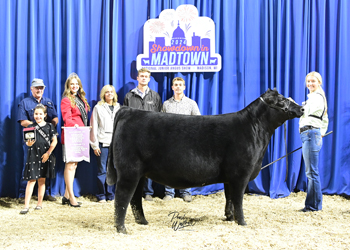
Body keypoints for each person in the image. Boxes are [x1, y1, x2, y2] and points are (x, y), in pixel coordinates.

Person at [123, 68, 162, 201]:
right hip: (133, 137)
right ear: (137, 78)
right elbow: (125, 118)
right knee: (134, 165)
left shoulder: (155, 96)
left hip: (150, 137)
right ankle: (134, 191)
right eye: (141, 76)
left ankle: (148, 192)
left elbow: (159, 118)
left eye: (146, 76)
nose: (144, 78)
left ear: (149, 79)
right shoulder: (129, 96)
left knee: (149, 165)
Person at [17, 78, 58, 202]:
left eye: (41, 88)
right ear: (32, 88)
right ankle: (22, 195)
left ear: (43, 89)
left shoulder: (48, 102)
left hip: (46, 140)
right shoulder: (25, 102)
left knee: (46, 165)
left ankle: (45, 193)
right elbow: (23, 121)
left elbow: (55, 119)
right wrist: (38, 125)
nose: (39, 90)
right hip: (31, 140)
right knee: (28, 165)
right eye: (36, 88)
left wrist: (47, 128)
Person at [161, 77, 201, 202]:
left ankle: (186, 192)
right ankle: (169, 192)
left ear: (184, 87)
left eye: (180, 85)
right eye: (175, 85)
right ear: (172, 87)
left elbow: (198, 122)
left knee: (187, 166)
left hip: (187, 141)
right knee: (169, 167)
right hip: (170, 141)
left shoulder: (191, 103)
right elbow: (161, 123)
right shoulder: (166, 104)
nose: (178, 87)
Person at [20, 104, 58, 214]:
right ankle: (26, 206)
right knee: (31, 180)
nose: (38, 116)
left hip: (45, 155)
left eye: (40, 114)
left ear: (45, 115)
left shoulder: (50, 126)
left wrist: (48, 153)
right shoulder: (30, 127)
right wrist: (28, 143)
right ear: (33, 115)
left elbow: (54, 141)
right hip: (33, 155)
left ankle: (39, 204)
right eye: (36, 114)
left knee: (42, 180)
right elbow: (27, 142)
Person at [299, 71, 329, 212]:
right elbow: (325, 118)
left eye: (313, 81)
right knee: (311, 172)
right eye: (308, 81)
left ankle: (313, 206)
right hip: (310, 134)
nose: (310, 84)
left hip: (310, 133)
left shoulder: (316, 97)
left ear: (319, 82)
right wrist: (321, 132)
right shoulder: (316, 97)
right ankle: (313, 204)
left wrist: (296, 106)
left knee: (312, 172)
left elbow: (305, 111)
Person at [61, 73, 90, 207]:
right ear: (68, 86)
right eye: (72, 84)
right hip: (71, 134)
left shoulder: (81, 99)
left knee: (75, 165)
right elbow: (67, 118)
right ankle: (72, 197)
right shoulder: (66, 99)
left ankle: (66, 196)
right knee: (70, 165)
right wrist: (75, 126)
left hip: (80, 135)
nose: (74, 86)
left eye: (76, 84)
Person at [90, 85, 120, 203]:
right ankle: (101, 195)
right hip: (103, 142)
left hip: (116, 144)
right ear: (103, 94)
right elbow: (94, 127)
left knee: (114, 170)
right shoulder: (98, 107)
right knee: (102, 170)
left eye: (111, 92)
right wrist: (95, 145)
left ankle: (111, 194)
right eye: (107, 92)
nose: (109, 94)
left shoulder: (118, 107)